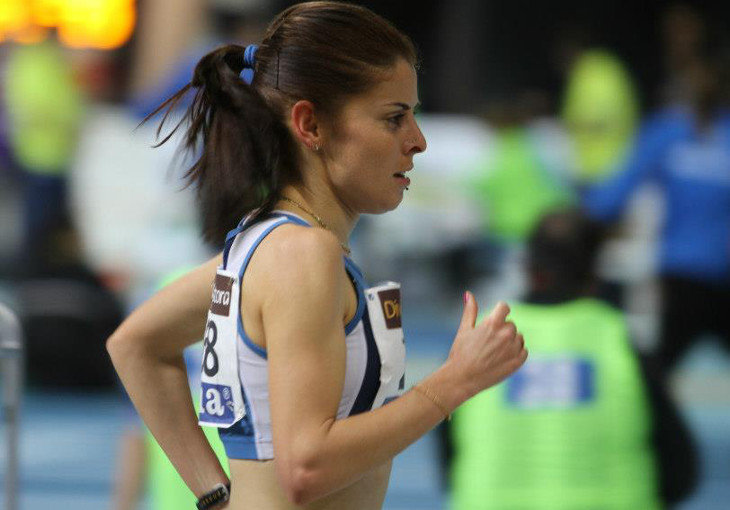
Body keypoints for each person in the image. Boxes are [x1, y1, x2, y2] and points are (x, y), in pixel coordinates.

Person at [106, 3, 528, 510]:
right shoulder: (301, 253)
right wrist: (453, 382)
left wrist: (216, 496)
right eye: (394, 118)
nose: (417, 142)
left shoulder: (265, 244)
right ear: (310, 125)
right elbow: (306, 467)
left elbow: (137, 344)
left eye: (413, 115)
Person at [442, 209, 697, 509]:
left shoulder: (476, 338)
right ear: (596, 271)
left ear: (526, 267)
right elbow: (681, 474)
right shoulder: (624, 342)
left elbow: (448, 457)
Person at [583, 53, 730, 378]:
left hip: (685, 275)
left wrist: (580, 213)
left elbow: (610, 196)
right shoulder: (674, 132)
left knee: (656, 378)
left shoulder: (669, 132)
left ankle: (645, 422)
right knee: (659, 370)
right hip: (702, 276)